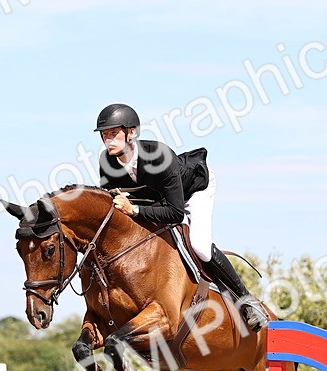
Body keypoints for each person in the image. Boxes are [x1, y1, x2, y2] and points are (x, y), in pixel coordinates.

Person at [93, 103, 268, 331]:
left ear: (131, 133)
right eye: (104, 135)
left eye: (114, 133)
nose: (108, 140)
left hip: (193, 191)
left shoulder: (159, 155)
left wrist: (134, 210)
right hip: (157, 199)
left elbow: (175, 214)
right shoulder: (107, 162)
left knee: (200, 247)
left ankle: (248, 301)